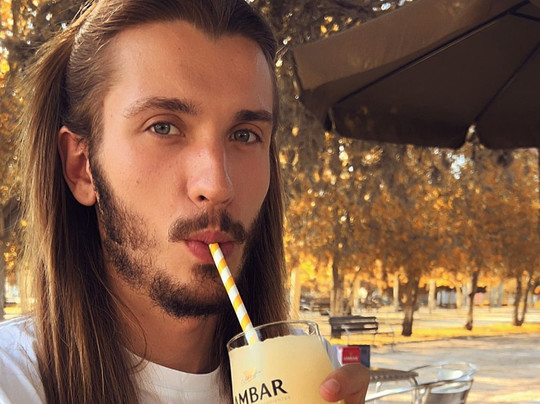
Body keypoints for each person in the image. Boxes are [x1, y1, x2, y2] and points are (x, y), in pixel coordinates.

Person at [0, 0, 369, 403]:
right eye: (163, 127)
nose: (218, 184)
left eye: (245, 134)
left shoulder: (306, 371)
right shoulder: (13, 383)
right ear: (82, 167)